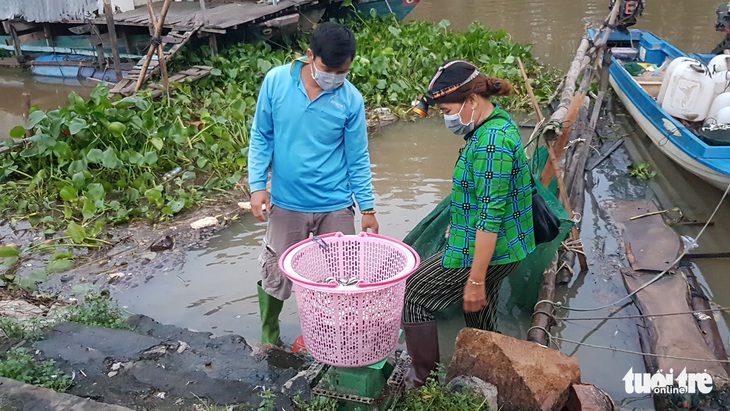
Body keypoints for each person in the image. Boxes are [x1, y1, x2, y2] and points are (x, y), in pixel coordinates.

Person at [402, 60, 535, 387]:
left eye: (447, 109)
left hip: (491, 246)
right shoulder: (494, 123)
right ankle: (491, 368)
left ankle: (424, 382)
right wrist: (457, 224)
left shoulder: (491, 144)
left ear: (472, 101)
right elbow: (481, 197)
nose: (447, 117)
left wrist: (475, 279)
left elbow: (490, 219)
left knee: (414, 294)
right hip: (500, 244)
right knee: (478, 310)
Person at [247, 22, 380, 346]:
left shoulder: (351, 100)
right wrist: (257, 186)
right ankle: (270, 335)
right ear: (309, 56)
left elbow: (357, 156)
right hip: (287, 203)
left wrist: (368, 207)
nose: (335, 77)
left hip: (334, 205)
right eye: (328, 69)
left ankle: (334, 339)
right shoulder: (277, 82)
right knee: (276, 273)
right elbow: (262, 136)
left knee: (342, 279)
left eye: (343, 71)